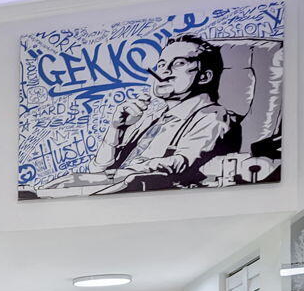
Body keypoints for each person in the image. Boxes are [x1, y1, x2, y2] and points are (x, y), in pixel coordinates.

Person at [88, 34, 243, 191]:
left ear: (203, 76)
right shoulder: (152, 119)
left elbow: (182, 163)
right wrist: (116, 128)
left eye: (178, 63)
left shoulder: (212, 116)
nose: (164, 72)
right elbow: (97, 171)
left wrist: (129, 170)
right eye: (161, 65)